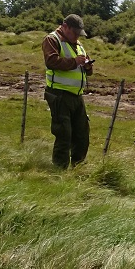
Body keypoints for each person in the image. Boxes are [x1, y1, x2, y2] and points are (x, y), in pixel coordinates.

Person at [42, 14, 94, 169]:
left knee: (82, 134)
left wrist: (88, 66)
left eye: (79, 34)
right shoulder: (51, 40)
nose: (77, 37)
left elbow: (87, 70)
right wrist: (74, 62)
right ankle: (60, 170)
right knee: (64, 134)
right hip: (59, 94)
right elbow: (51, 61)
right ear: (65, 27)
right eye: (75, 33)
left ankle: (78, 168)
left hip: (77, 96)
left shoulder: (78, 44)